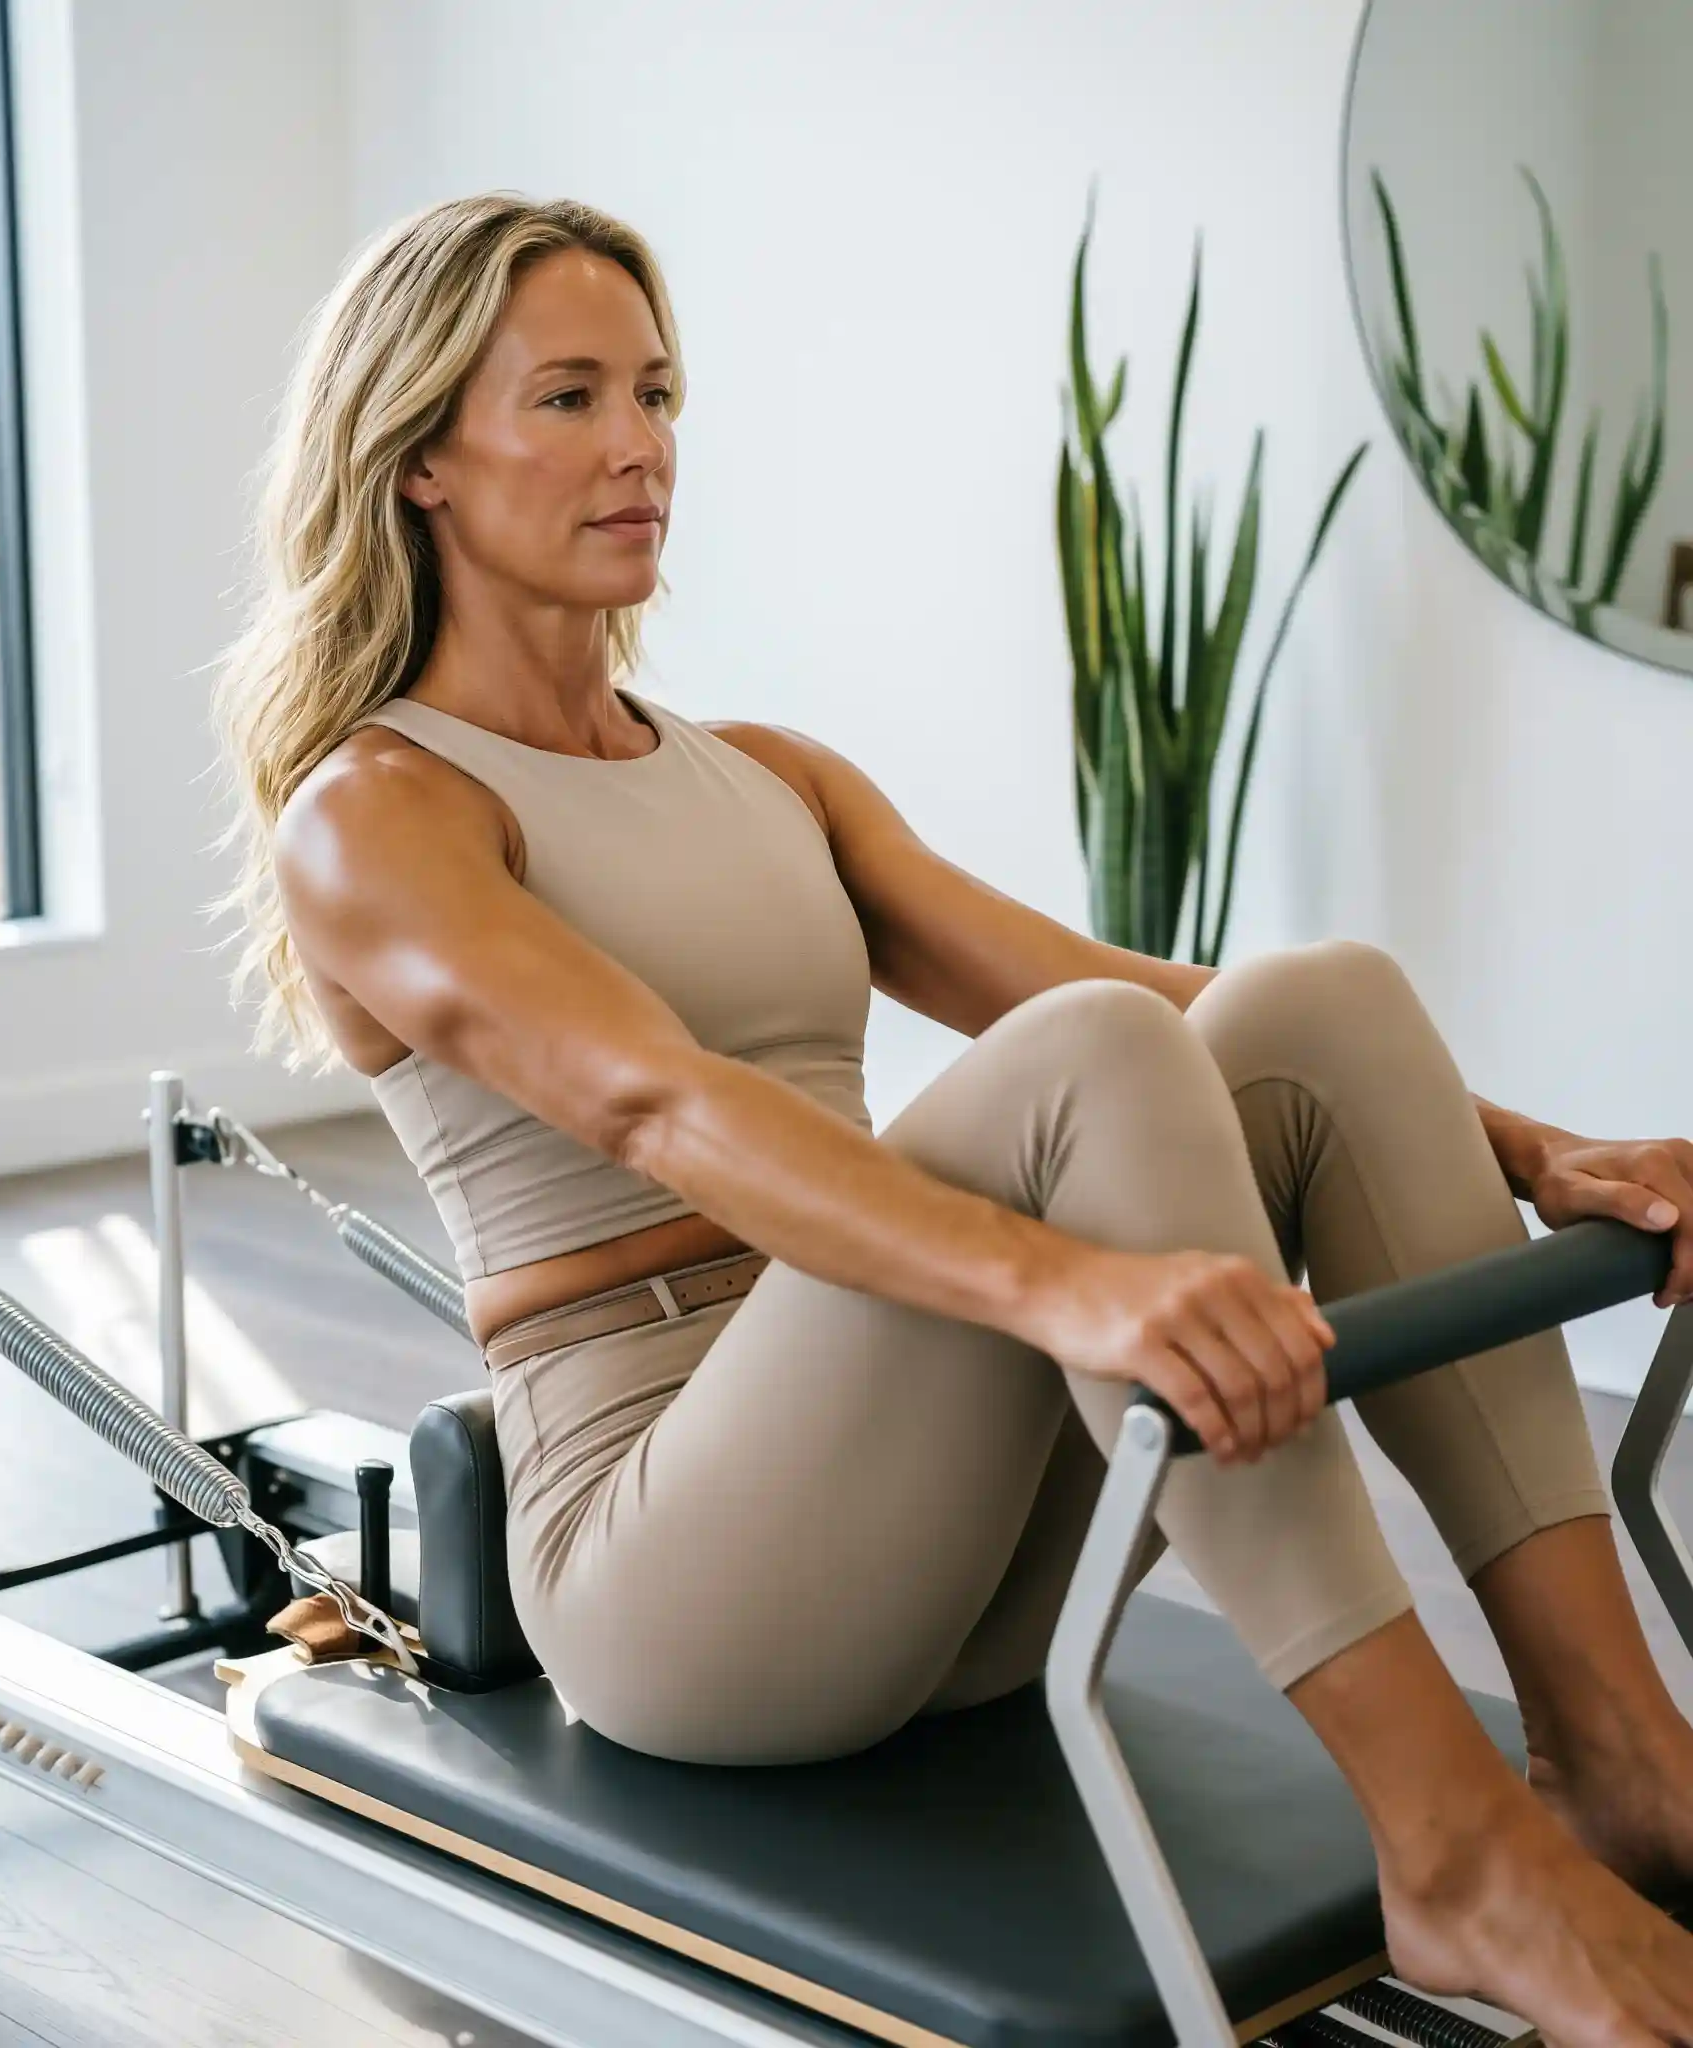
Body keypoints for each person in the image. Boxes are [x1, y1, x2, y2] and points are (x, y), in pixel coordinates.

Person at [211, 192, 1693, 2042]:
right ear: (422, 455)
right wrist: (1064, 1290)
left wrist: (1539, 1150)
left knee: (1315, 1000)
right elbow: (661, 1102)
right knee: (1093, 1059)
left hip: (955, 1570)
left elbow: (1141, 993)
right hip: (688, 1573)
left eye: (658, 393)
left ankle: (1625, 1755)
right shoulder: (379, 810)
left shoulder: (770, 778)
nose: (641, 447)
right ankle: (1462, 1855)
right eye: (569, 399)